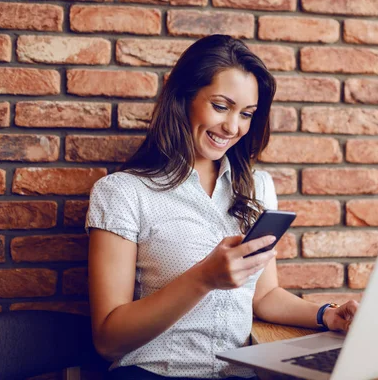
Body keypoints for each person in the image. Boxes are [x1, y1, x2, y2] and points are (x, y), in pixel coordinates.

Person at [86, 34, 359, 380]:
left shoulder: (257, 187)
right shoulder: (123, 192)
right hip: (152, 372)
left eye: (246, 114)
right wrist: (204, 278)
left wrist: (326, 315)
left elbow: (264, 296)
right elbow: (108, 341)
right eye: (220, 106)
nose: (233, 127)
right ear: (184, 97)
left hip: (240, 374)